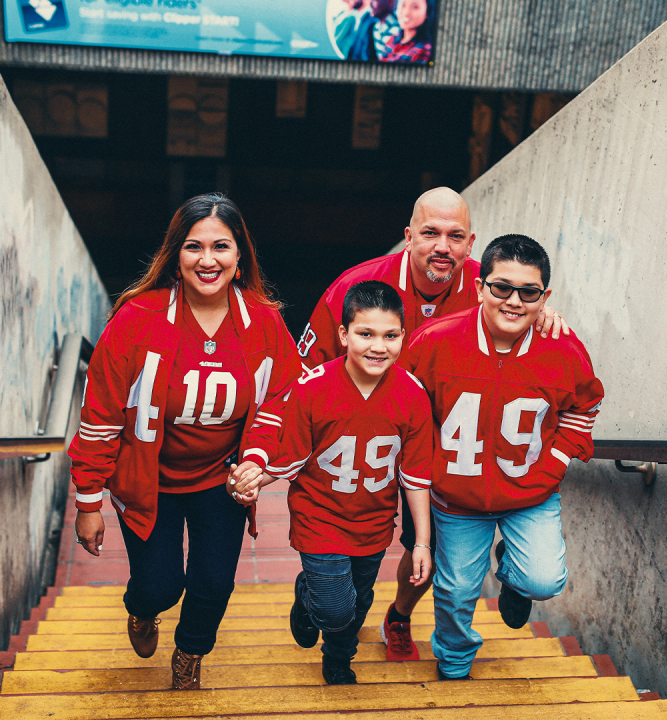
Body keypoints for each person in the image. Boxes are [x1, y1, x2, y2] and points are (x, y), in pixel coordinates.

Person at [295, 186, 571, 661]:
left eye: (456, 236)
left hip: (444, 449)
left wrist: (538, 311)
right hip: (366, 441)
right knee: (345, 536)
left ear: (471, 244)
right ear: (408, 237)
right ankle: (316, 588)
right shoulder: (355, 287)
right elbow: (304, 373)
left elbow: (522, 309)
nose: (443, 246)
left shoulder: (490, 288)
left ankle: (399, 615)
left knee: (433, 545)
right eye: (430, 233)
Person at [69, 193, 303, 690]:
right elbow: (100, 416)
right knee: (159, 586)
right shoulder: (137, 319)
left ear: (240, 257)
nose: (208, 259)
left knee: (214, 583)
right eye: (194, 247)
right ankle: (142, 609)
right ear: (176, 256)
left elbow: (282, 398)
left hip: (220, 478)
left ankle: (191, 652)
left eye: (222, 246)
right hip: (148, 479)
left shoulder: (264, 322)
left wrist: (256, 460)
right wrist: (88, 500)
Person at [400, 234, 604, 680]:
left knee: (544, 580)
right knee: (455, 590)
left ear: (544, 297)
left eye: (528, 292)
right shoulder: (434, 341)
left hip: (531, 493)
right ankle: (454, 659)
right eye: (501, 287)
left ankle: (514, 579)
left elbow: (585, 407)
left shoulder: (564, 349)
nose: (514, 301)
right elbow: (404, 410)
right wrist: (426, 468)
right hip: (457, 497)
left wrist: (554, 464)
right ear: (478, 287)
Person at [230, 281, 435, 684]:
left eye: (390, 335)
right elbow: (292, 457)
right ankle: (309, 601)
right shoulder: (312, 388)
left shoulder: (413, 396)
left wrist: (423, 543)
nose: (379, 346)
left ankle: (338, 658)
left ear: (402, 338)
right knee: (335, 609)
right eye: (366, 333)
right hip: (319, 518)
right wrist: (253, 478)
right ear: (343, 335)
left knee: (359, 604)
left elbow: (415, 476)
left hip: (374, 524)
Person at [380, 0, 434, 64]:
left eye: (415, 7)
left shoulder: (425, 49)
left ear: (427, 12)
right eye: (403, 5)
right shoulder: (392, 39)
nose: (406, 13)